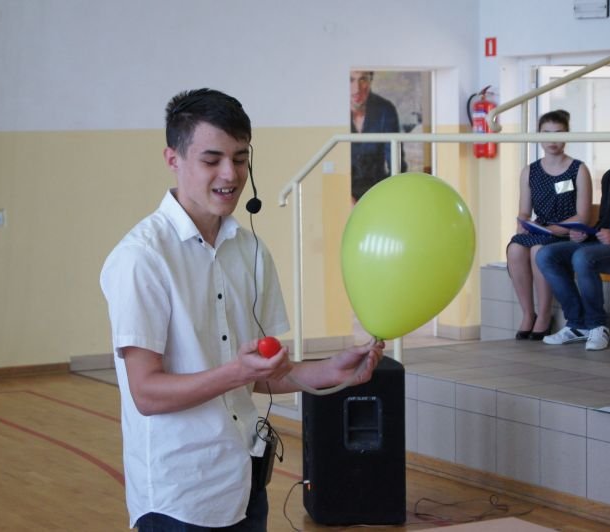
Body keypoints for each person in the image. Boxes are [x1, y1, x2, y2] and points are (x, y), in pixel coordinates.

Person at [100, 88, 385, 531]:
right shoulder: (142, 258)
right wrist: (237, 372)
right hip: (178, 496)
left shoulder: (251, 251)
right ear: (173, 159)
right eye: (211, 160)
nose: (230, 174)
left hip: (244, 481)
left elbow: (261, 376)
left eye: (240, 158)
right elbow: (147, 394)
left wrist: (330, 370)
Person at [536, 106, 610, 351]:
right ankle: (577, 324)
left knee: (583, 257)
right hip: (605, 243)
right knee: (546, 255)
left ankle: (597, 325)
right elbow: (606, 221)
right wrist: (586, 232)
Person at [507, 110, 592, 340]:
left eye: (558, 133)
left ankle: (544, 315)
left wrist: (552, 229)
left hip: (566, 233)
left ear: (568, 135)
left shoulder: (578, 169)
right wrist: (522, 223)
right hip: (540, 229)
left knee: (538, 249)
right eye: (546, 133)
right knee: (515, 248)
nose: (552, 139)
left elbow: (582, 217)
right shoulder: (530, 171)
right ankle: (528, 313)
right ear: (538, 135)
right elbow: (524, 211)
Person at [350, 70, 407, 201]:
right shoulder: (335, 111)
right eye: (350, 80)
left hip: (378, 191)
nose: (356, 89)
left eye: (363, 79)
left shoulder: (385, 109)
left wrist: (387, 197)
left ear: (370, 80)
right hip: (344, 194)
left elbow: (396, 163)